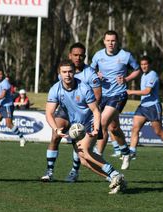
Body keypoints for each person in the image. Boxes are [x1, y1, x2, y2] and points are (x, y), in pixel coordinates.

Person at [46, 60, 126, 194]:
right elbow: (49, 112)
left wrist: (96, 128)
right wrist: (55, 128)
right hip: (77, 126)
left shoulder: (84, 88)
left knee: (84, 151)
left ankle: (115, 173)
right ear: (59, 73)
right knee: (84, 161)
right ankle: (113, 178)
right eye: (64, 72)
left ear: (74, 72)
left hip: (91, 123)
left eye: (70, 71)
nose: (67, 75)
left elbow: (95, 111)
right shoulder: (55, 89)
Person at [41, 42, 102, 183]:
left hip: (84, 112)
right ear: (70, 55)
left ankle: (74, 171)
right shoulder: (64, 70)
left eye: (81, 55)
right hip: (65, 111)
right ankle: (49, 171)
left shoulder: (91, 73)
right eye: (75, 55)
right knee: (55, 135)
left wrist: (88, 114)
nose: (78, 58)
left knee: (78, 142)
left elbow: (97, 97)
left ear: (85, 57)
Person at [91, 30, 141, 170]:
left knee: (102, 122)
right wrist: (96, 74)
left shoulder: (125, 56)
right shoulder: (98, 55)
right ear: (104, 41)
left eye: (113, 40)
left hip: (119, 94)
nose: (110, 43)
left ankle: (97, 154)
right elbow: (90, 70)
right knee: (114, 127)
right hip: (103, 95)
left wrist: (126, 79)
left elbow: (137, 70)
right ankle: (126, 153)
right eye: (108, 40)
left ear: (117, 41)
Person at [127, 56, 163, 161]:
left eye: (145, 64)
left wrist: (131, 92)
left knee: (158, 132)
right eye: (142, 64)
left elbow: (147, 91)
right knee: (134, 129)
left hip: (153, 107)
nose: (143, 66)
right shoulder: (143, 75)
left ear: (149, 65)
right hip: (143, 106)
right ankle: (132, 152)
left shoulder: (153, 75)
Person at [0, 69, 26, 147]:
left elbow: (3, 95)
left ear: (3, 75)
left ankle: (22, 138)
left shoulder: (5, 82)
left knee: (9, 125)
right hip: (1, 105)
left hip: (7, 106)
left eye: (0, 74)